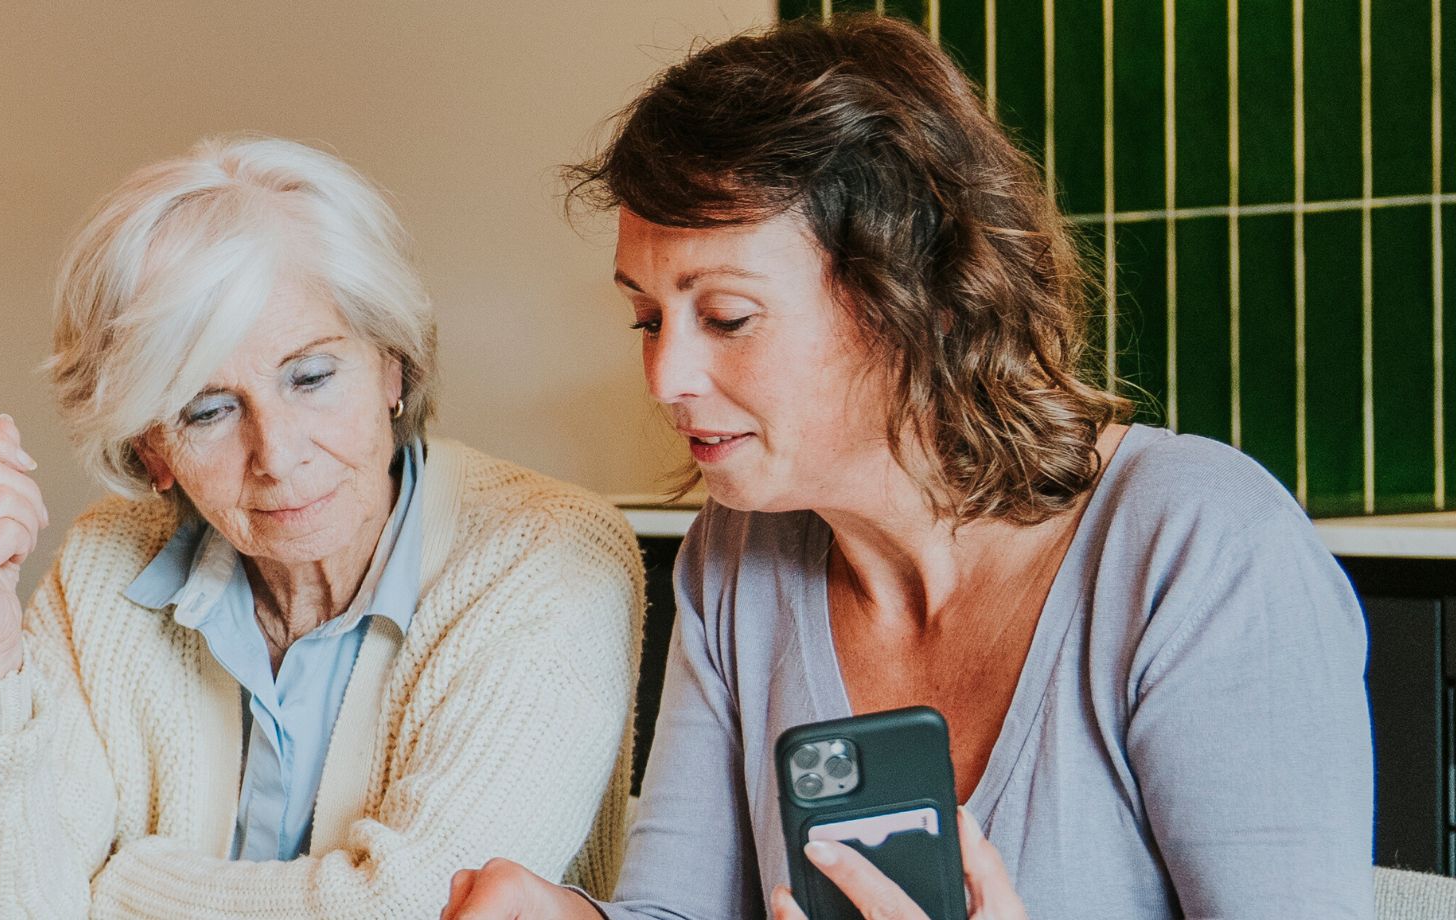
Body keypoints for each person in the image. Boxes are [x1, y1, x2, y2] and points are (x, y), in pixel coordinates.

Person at [439, 16, 1371, 920]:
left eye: (726, 317)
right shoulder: (735, 563)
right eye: (647, 318)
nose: (665, 376)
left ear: (922, 301)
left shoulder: (1201, 552)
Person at [0, 135, 647, 919]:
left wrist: (110, 887)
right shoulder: (101, 570)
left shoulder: (549, 553)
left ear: (393, 365)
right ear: (150, 446)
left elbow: (414, 907)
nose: (279, 456)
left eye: (313, 376)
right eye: (208, 410)